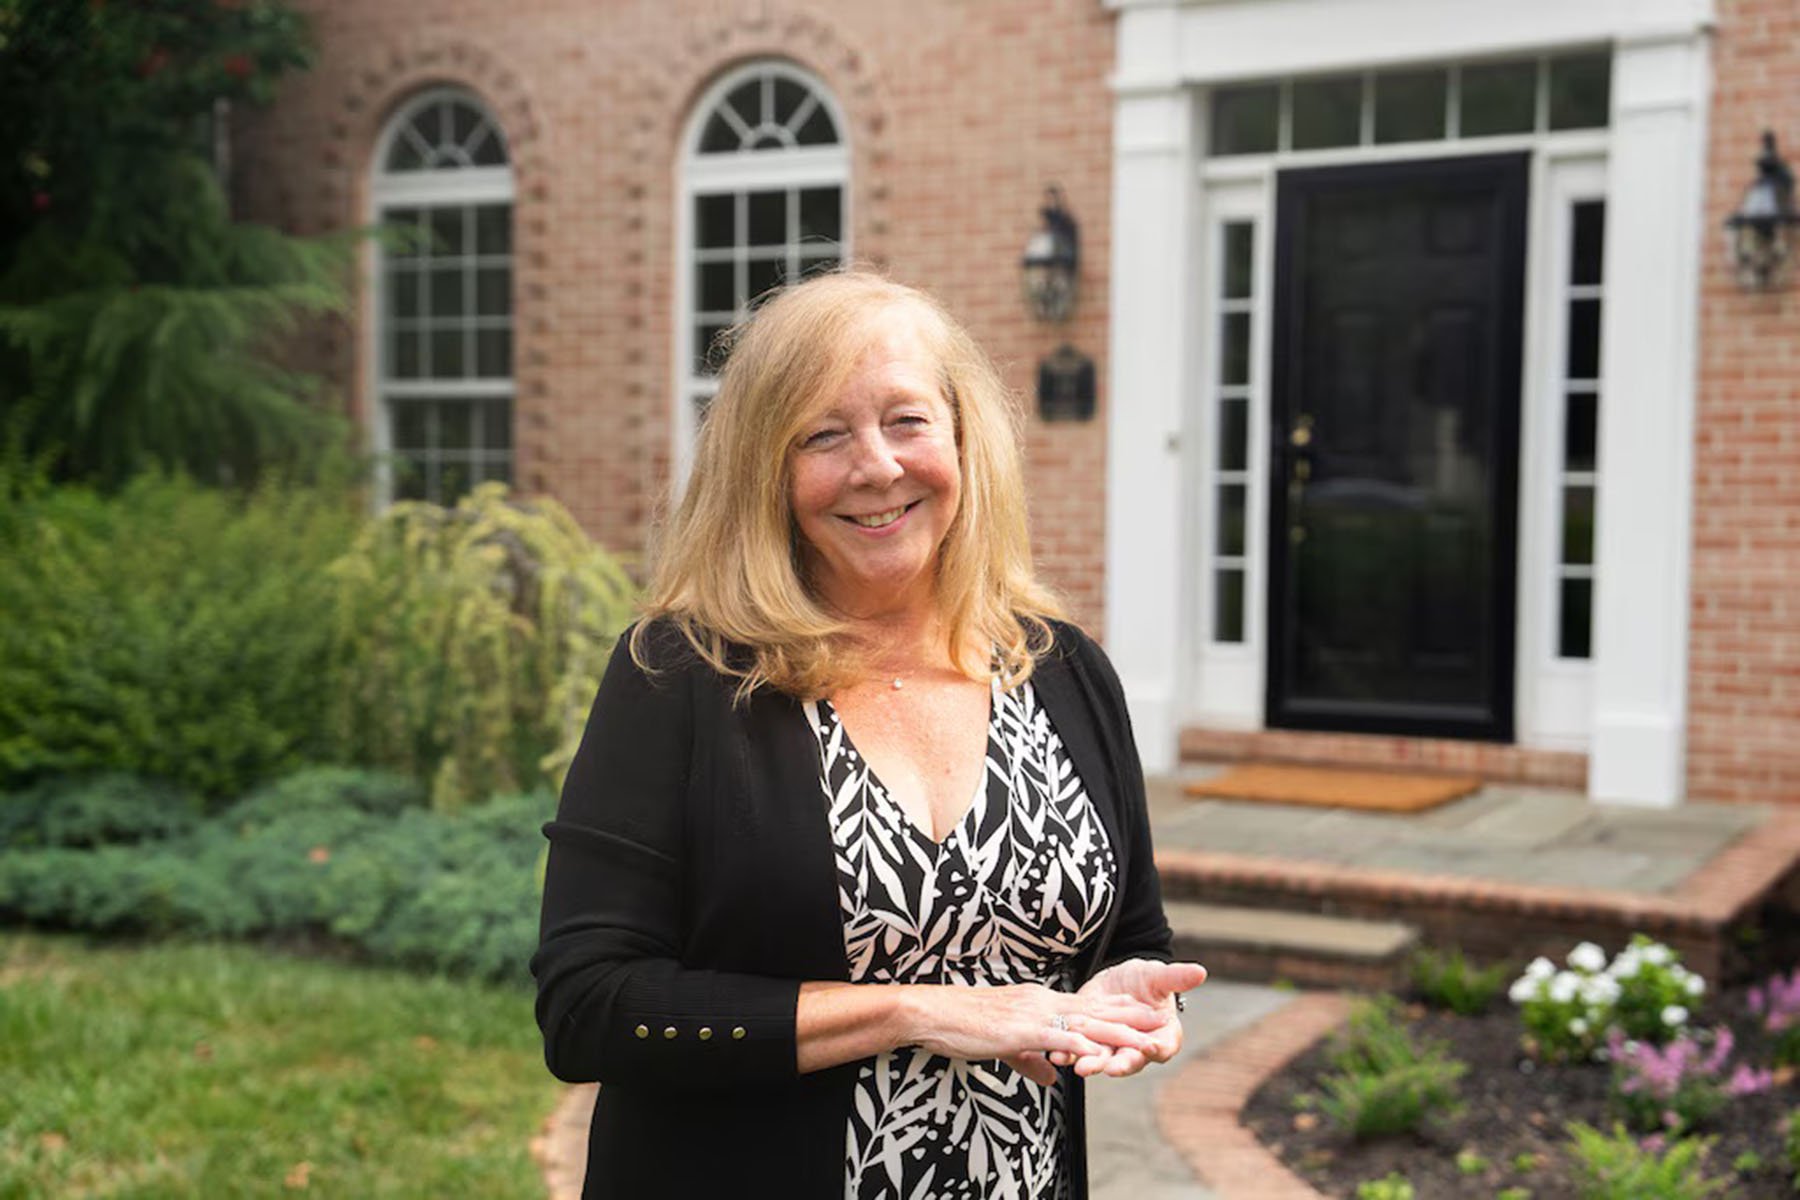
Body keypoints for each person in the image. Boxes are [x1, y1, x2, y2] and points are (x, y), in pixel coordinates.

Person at [531, 271, 1207, 1198]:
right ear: (763, 470)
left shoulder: (1063, 671)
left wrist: (1131, 999)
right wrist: (914, 1011)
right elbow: (588, 1007)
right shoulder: (682, 676)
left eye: (907, 421)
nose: (877, 467)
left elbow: (1134, 932)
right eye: (823, 434)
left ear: (965, 439)